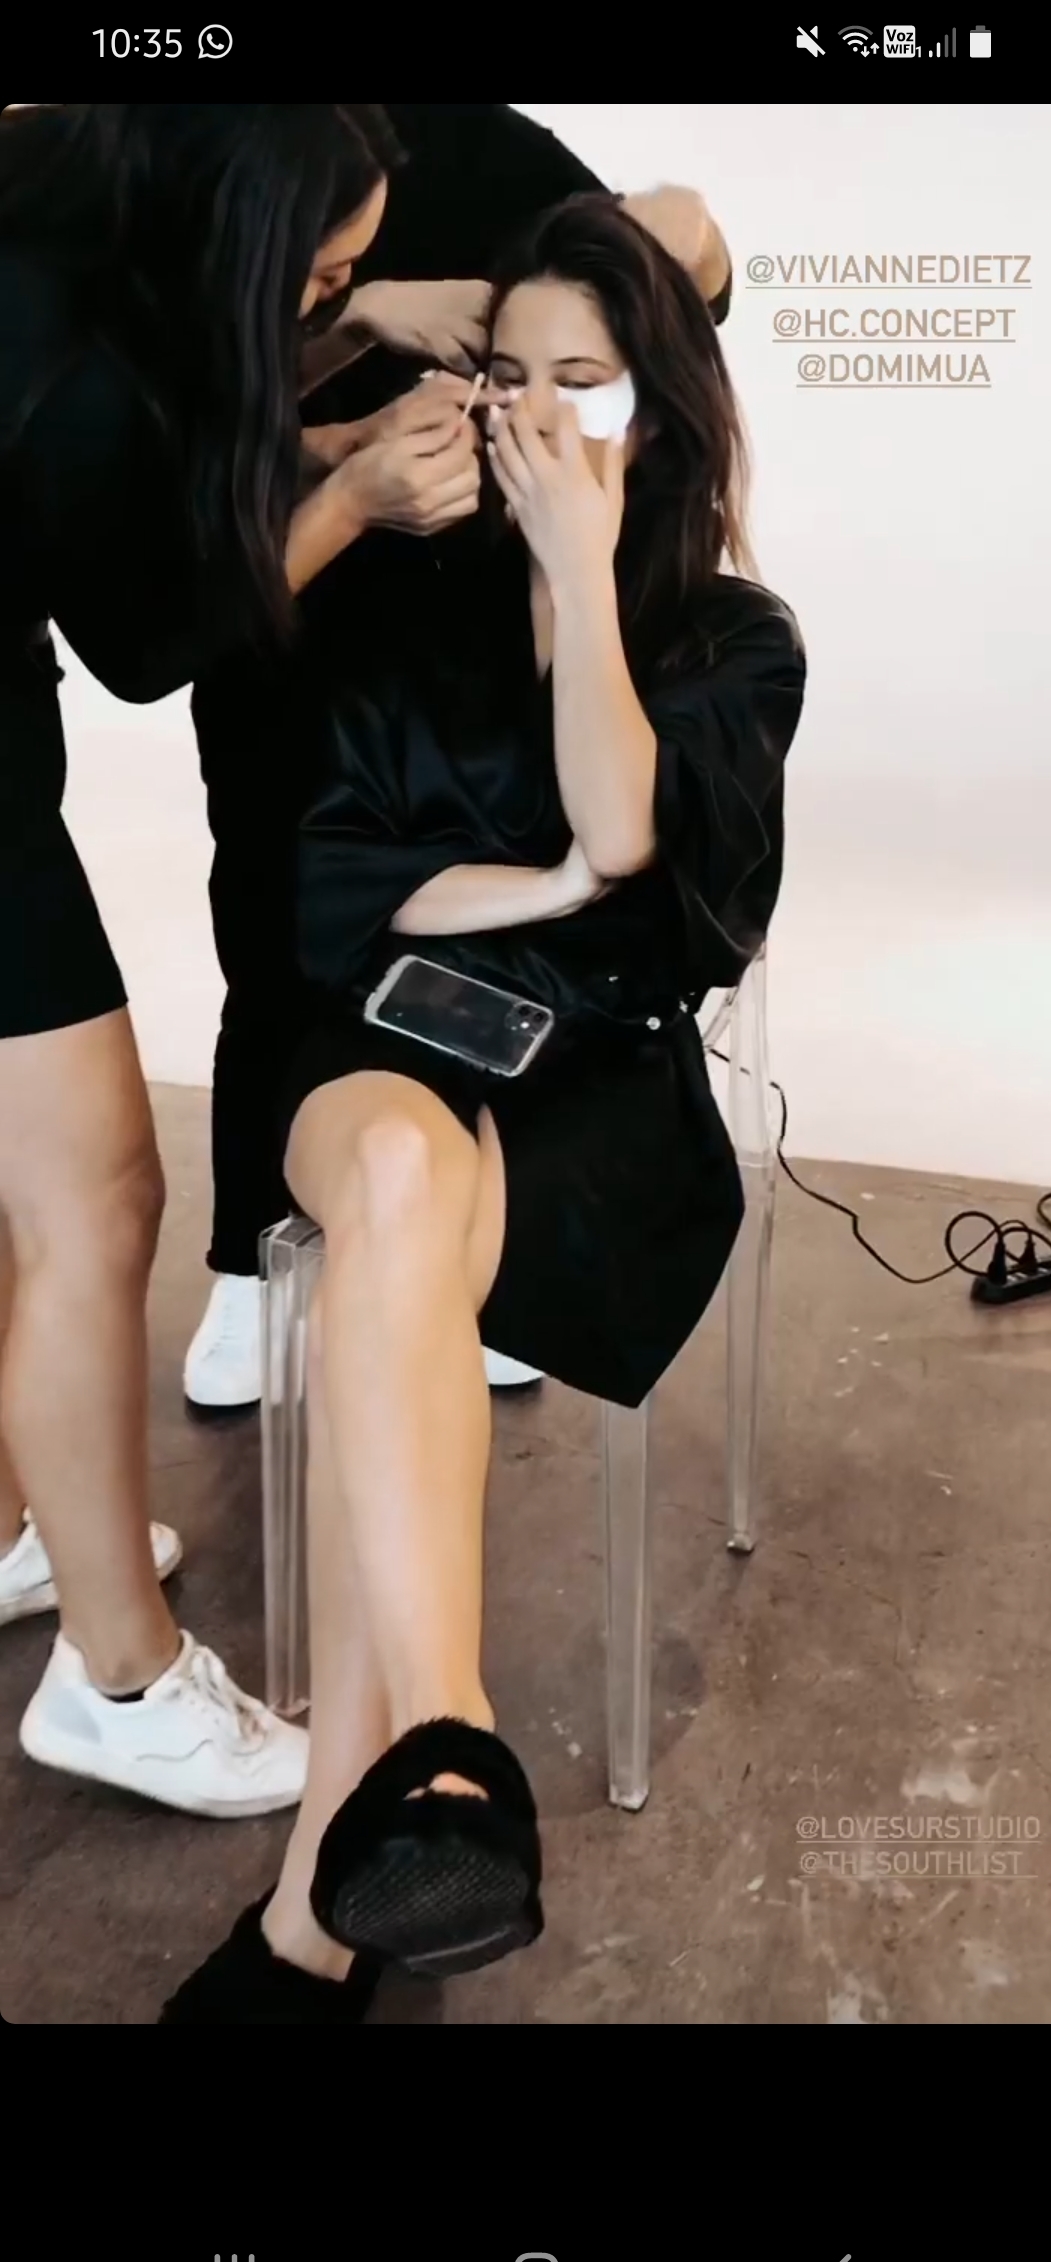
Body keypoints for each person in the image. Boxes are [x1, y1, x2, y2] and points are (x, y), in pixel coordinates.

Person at [161, 193, 806, 2023]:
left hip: (595, 1094)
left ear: (658, 411)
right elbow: (336, 894)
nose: (530, 413)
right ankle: (450, 1733)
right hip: (377, 1044)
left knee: (399, 1261)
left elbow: (644, 857)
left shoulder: (731, 634)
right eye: (508, 373)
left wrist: (582, 586)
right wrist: (555, 885)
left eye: (580, 379)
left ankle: (330, 1879)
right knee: (385, 1166)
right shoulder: (394, 602)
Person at [0, 102, 445, 1821]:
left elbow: (139, 451)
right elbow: (145, 637)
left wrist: (346, 373)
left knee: (28, 1192)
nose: (333, 300)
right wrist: (357, 492)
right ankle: (119, 1683)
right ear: (235, 231)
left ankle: (17, 1532)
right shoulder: (64, 353)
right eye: (321, 277)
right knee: (95, 1196)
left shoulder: (62, 184)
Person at [183, 102, 735, 1410]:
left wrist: (679, 236)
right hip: (281, 578)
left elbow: (673, 285)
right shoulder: (215, 160)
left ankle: (504, 1207)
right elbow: (189, 424)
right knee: (280, 903)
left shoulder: (484, 147)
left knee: (496, 871)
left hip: (471, 572)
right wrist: (357, 328)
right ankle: (251, 1251)